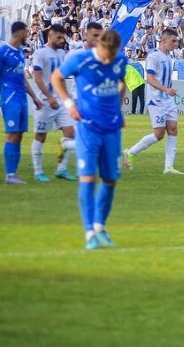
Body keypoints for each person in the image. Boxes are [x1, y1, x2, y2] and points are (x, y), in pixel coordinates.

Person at [51, 28, 129, 250]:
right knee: (87, 178)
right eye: (107, 54)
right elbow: (56, 77)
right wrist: (69, 104)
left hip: (112, 127)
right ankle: (88, 234)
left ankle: (99, 227)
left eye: (113, 55)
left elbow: (121, 82)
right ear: (100, 45)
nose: (109, 59)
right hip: (87, 127)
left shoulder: (120, 60)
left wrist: (118, 107)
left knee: (111, 179)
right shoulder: (81, 60)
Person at [0, 21, 43, 184]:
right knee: (12, 135)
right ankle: (9, 175)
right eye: (26, 32)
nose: (28, 35)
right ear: (19, 33)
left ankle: (14, 174)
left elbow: (23, 78)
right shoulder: (3, 52)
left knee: (18, 136)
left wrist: (34, 97)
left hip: (21, 100)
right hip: (10, 99)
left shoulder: (19, 52)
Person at [124, 29, 184, 174]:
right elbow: (150, 78)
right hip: (156, 99)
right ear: (164, 41)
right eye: (173, 41)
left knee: (173, 129)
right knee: (158, 134)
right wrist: (166, 89)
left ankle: (169, 167)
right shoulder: (154, 56)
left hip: (167, 99)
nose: (176, 44)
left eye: (176, 41)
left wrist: (167, 92)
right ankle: (131, 152)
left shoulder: (168, 57)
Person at [30, 23, 76, 182]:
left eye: (63, 37)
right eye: (59, 37)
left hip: (61, 102)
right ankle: (38, 171)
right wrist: (49, 96)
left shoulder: (62, 53)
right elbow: (37, 77)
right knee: (41, 136)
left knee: (71, 133)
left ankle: (62, 169)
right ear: (50, 35)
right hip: (44, 102)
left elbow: (61, 78)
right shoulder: (40, 53)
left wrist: (67, 96)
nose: (62, 40)